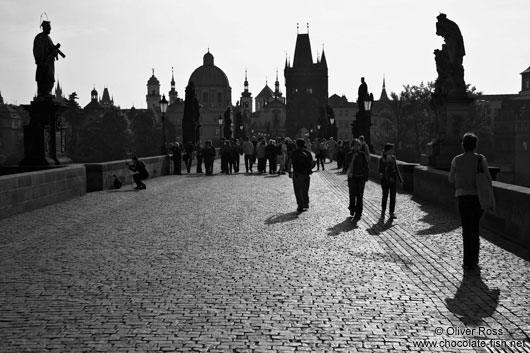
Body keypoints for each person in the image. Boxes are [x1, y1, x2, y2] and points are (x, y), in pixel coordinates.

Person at [448, 132, 491, 271]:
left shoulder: (456, 159)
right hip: (477, 197)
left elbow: (451, 179)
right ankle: (475, 259)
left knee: (466, 228)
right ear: (475, 145)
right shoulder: (480, 159)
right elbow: (488, 178)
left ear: (463, 145)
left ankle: (467, 261)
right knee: (475, 227)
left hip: (462, 197)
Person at [33, 20, 62, 97]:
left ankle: (47, 92)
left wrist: (54, 51)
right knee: (44, 79)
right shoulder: (40, 37)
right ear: (44, 28)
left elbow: (51, 48)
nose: (50, 29)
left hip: (49, 62)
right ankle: (43, 93)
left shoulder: (48, 38)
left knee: (50, 79)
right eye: (49, 27)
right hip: (44, 63)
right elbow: (38, 51)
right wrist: (43, 60)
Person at [288, 138, 315, 212]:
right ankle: (306, 203)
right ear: (304, 144)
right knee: (305, 189)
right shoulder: (308, 153)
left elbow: (290, 163)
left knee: (297, 189)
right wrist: (310, 169)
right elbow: (312, 163)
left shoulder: (294, 152)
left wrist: (290, 172)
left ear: (296, 144)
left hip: (296, 173)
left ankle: (300, 205)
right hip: (305, 174)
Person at [345, 139, 369, 220]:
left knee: (360, 196)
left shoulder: (362, 154)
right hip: (352, 178)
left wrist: (366, 176)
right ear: (352, 146)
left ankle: (358, 212)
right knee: (352, 195)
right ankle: (352, 208)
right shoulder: (349, 155)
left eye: (358, 145)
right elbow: (346, 166)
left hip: (361, 177)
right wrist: (353, 159)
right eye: (355, 145)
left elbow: (366, 166)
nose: (356, 147)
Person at [378, 143, 403, 219]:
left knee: (393, 197)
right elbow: (380, 170)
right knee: (385, 196)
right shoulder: (381, 159)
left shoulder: (393, 158)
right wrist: (386, 162)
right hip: (385, 180)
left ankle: (391, 212)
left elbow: (396, 168)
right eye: (392, 149)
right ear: (388, 150)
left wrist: (400, 179)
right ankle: (383, 211)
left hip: (393, 180)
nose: (393, 150)